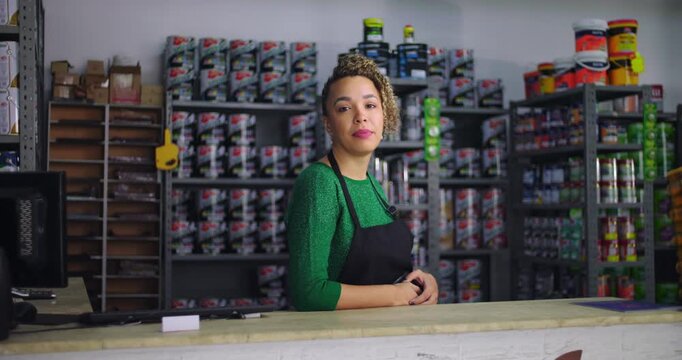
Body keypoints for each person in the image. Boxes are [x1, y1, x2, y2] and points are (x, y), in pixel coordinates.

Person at [286, 54, 438, 311]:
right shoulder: (319, 183)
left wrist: (420, 282)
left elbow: (377, 273)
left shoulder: (372, 185)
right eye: (345, 108)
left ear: (384, 114)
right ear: (328, 124)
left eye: (370, 105)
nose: (361, 117)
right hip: (338, 342)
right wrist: (395, 295)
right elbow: (308, 292)